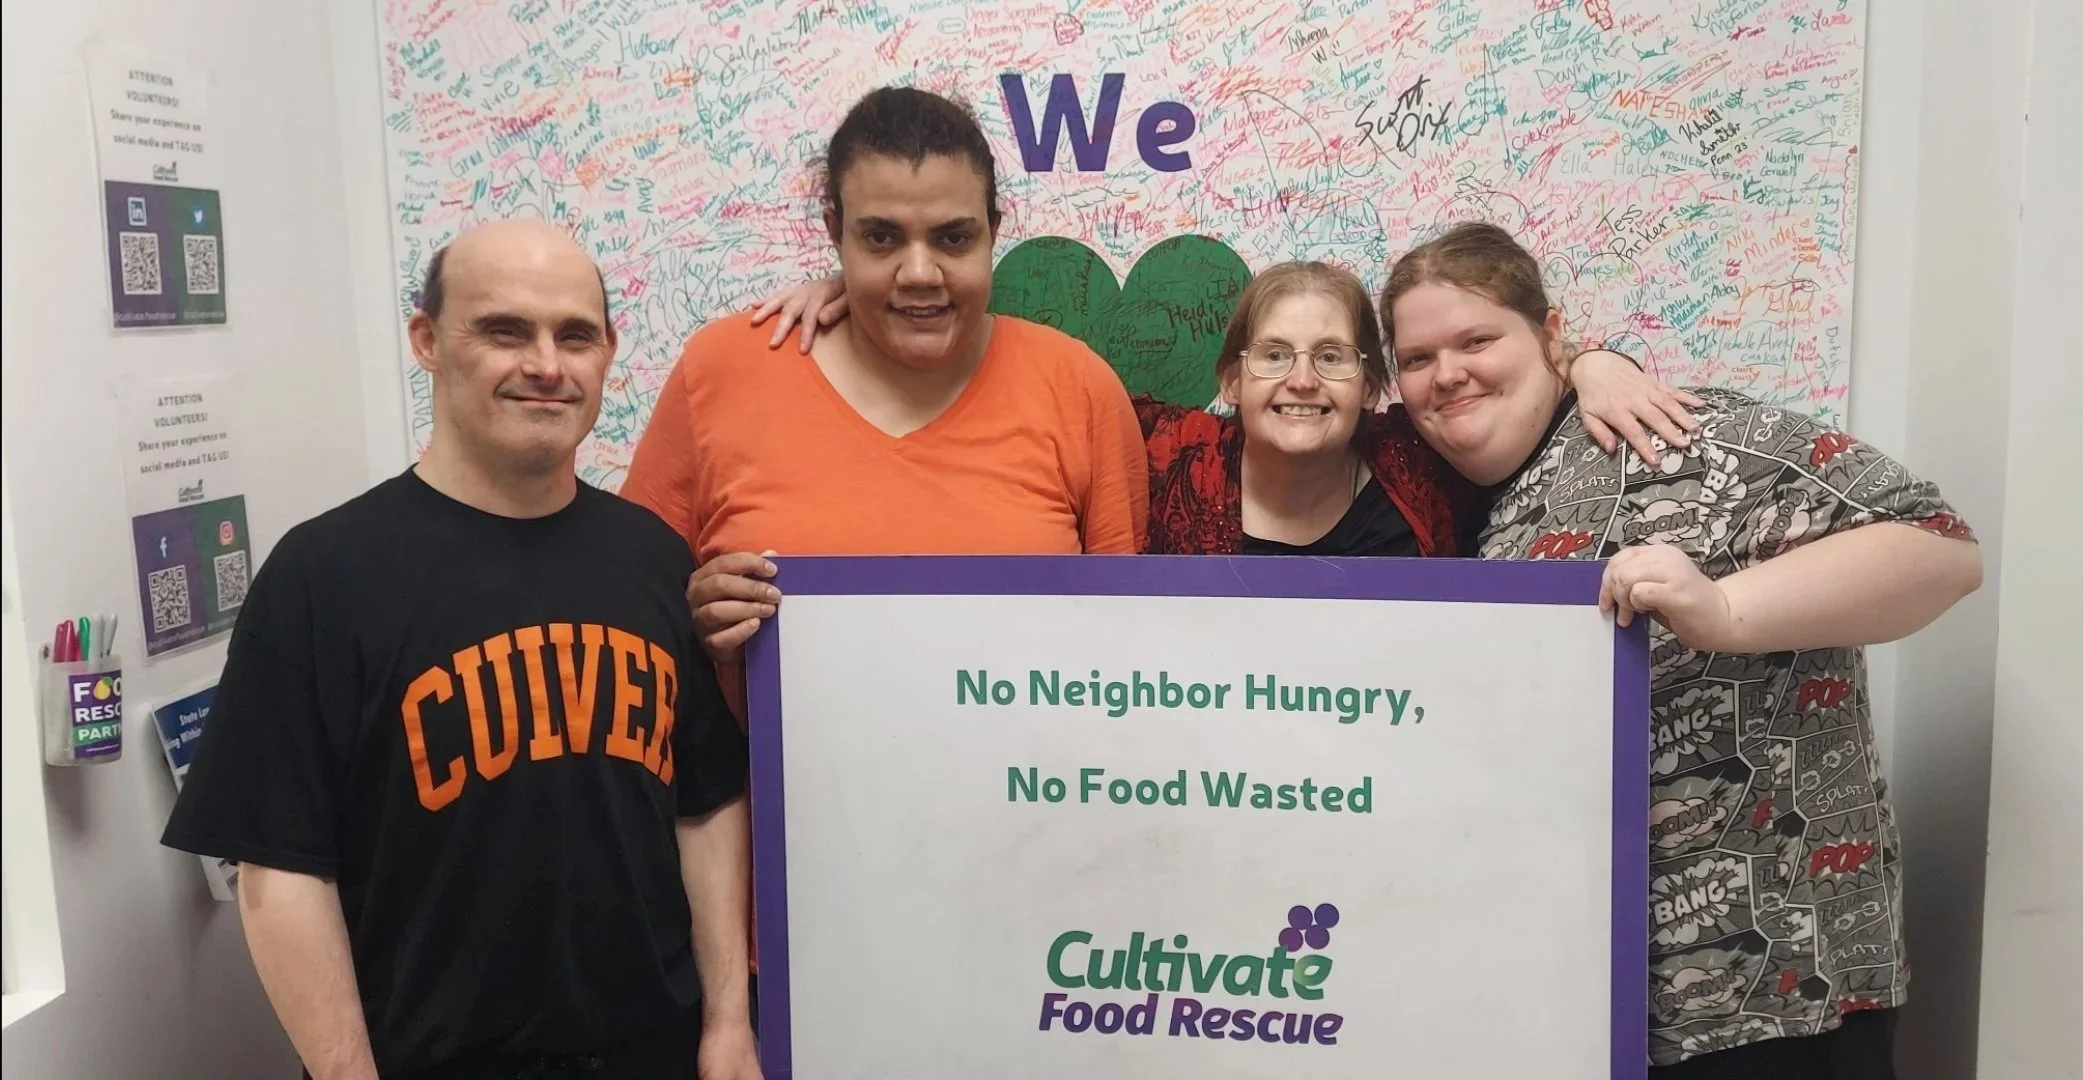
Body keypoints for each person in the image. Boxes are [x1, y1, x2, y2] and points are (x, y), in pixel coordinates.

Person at [161, 220, 761, 1080]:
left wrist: (727, 1027)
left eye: (574, 336)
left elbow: (703, 807)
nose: (546, 365)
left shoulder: (655, 559)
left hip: (651, 1053)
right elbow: (280, 867)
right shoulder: (324, 575)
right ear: (429, 341)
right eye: (505, 330)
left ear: (606, 351)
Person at [1382, 221, 1982, 1077]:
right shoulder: (1431, 498)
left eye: (1477, 340)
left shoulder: (1683, 435)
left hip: (1773, 995)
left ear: (1549, 335)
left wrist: (1725, 610)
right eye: (1416, 358)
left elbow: (1939, 548)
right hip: (1576, 999)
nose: (1446, 373)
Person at [621, 85, 1148, 678]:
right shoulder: (720, 370)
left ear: (993, 232)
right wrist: (692, 626)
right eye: (881, 238)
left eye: (953, 237)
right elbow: (626, 614)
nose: (919, 273)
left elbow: (1122, 649)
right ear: (836, 232)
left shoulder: (1079, 389)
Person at [749, 261, 1701, 558]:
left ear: (1371, 384)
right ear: (1232, 380)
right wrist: (876, 295)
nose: (1300, 380)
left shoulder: (1419, 458)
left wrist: (1591, 363)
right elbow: (1011, 380)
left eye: (1330, 357)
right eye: (1273, 355)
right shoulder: (1163, 449)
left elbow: (1494, 384)